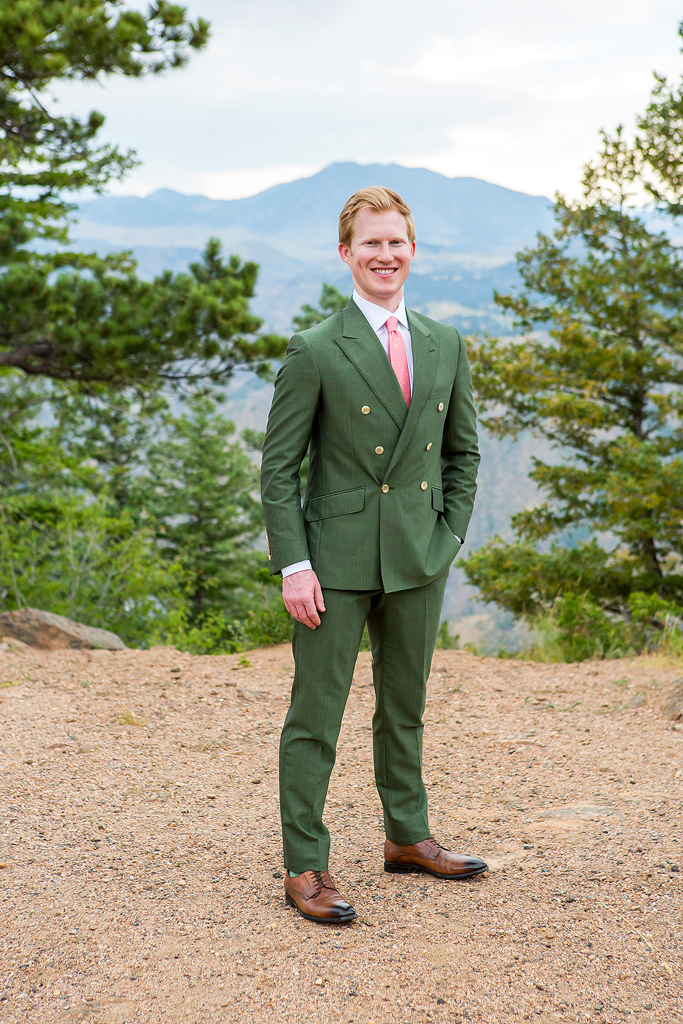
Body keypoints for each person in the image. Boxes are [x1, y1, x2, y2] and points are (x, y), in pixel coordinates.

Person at [260, 186, 487, 925]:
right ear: (345, 254)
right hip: (333, 562)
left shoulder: (444, 343)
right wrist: (294, 564)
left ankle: (406, 836)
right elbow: (278, 468)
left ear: (412, 250)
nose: (384, 256)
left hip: (419, 554)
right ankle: (305, 866)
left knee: (405, 706)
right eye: (370, 244)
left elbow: (462, 453)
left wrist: (448, 535)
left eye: (395, 243)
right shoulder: (317, 348)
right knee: (315, 716)